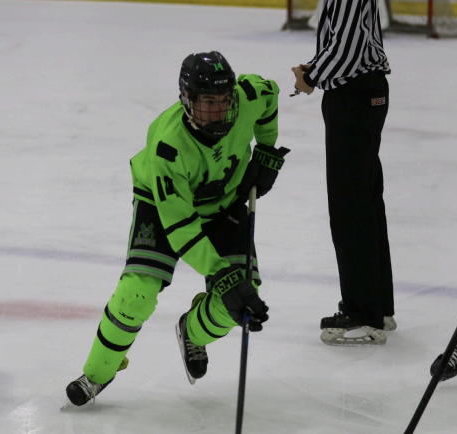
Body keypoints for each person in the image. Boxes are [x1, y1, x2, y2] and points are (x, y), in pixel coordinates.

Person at [65, 51, 290, 406]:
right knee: (136, 293)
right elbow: (182, 227)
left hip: (225, 201)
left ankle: (193, 331)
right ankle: (97, 374)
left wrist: (265, 149)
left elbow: (270, 95)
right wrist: (221, 273)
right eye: (208, 103)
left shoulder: (247, 96)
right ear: (186, 100)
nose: (219, 112)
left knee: (240, 301)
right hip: (162, 206)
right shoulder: (168, 146)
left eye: (224, 101)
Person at [291, 0, 394, 346]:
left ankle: (363, 309)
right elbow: (344, 43)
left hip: (355, 96)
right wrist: (316, 66)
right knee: (364, 197)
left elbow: (348, 48)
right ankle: (378, 303)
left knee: (350, 203)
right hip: (360, 92)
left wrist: (312, 77)